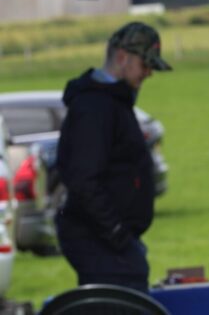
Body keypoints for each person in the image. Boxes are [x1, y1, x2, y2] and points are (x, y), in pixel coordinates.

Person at [56, 21, 172, 292]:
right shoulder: (95, 107)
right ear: (122, 57)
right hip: (101, 241)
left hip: (109, 239)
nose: (148, 73)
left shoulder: (110, 101)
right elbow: (84, 180)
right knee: (122, 299)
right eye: (145, 65)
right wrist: (117, 233)